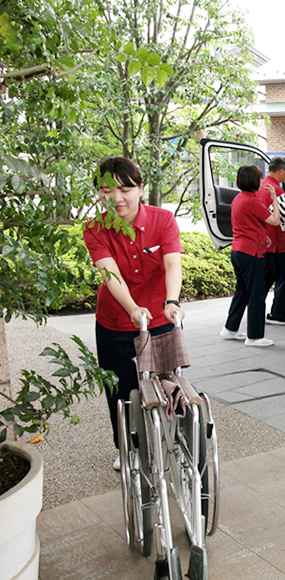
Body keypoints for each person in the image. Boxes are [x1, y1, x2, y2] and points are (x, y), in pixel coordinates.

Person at [83, 157, 186, 471]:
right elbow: (110, 274)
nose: (117, 198)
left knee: (171, 384)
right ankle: (125, 446)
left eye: (125, 189)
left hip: (160, 319)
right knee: (121, 392)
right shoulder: (95, 228)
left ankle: (175, 440)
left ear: (140, 189)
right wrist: (130, 309)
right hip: (115, 322)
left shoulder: (163, 219)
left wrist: (172, 301)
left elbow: (172, 263)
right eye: (106, 190)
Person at [222, 165, 281, 347]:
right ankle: (254, 336)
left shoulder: (238, 199)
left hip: (238, 250)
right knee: (255, 294)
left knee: (242, 290)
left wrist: (263, 237)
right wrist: (274, 199)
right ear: (255, 181)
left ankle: (230, 328)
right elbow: (275, 220)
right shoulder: (252, 201)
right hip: (251, 253)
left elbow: (246, 224)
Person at [260, 156, 285, 324]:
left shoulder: (260, 186)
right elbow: (282, 217)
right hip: (276, 241)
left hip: (264, 240)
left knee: (268, 276)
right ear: (280, 171)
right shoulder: (277, 191)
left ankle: (256, 304)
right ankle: (277, 314)